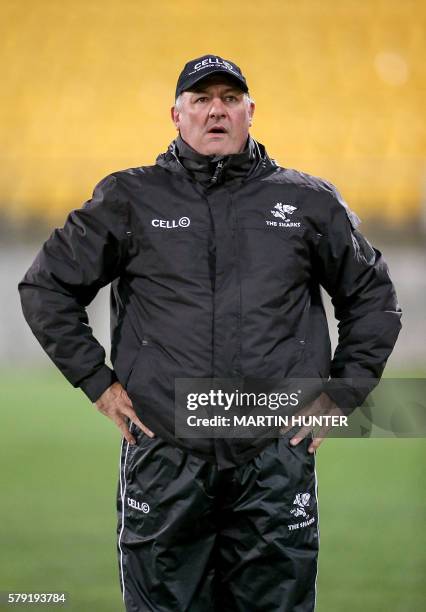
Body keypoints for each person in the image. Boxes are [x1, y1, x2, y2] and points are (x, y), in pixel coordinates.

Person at [18, 54, 402, 611]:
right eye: (201, 100)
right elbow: (46, 287)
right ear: (176, 115)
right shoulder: (130, 198)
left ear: (251, 112)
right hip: (165, 453)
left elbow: (373, 298)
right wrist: (97, 382)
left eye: (228, 99)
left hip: (273, 456)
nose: (215, 111)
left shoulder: (309, 201)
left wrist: (341, 395)